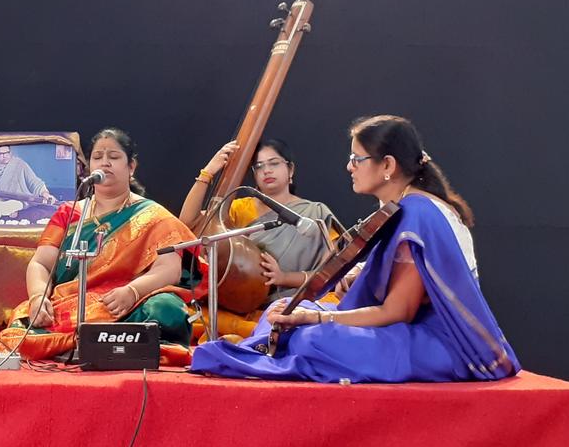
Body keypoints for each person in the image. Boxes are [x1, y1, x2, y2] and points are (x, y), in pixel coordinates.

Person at [190, 115, 520, 382]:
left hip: (437, 342)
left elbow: (396, 312)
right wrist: (356, 278)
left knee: (311, 337)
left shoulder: (418, 215)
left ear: (387, 165)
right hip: (403, 329)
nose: (350, 167)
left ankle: (274, 349)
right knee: (286, 310)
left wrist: (315, 318)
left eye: (356, 159)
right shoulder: (405, 208)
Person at [0, 128, 196, 364]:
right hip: (72, 303)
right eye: (98, 157)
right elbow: (40, 263)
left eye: (114, 156)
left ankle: (89, 344)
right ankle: (90, 343)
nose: (105, 162)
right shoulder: (69, 214)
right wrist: (38, 297)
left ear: (131, 167)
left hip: (125, 305)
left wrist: (132, 292)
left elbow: (169, 268)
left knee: (165, 310)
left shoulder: (153, 215)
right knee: (21, 328)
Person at [179, 139, 338, 338]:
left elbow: (332, 272)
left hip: (291, 304)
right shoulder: (239, 208)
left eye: (274, 163)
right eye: (259, 166)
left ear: (290, 169)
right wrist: (208, 172)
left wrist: (283, 277)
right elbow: (188, 221)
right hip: (242, 305)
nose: (267, 171)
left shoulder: (315, 213)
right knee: (187, 312)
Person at [0, 145, 57, 219]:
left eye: (7, 153)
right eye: (1, 154)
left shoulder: (20, 164)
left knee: (14, 205)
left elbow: (34, 181)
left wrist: (45, 194)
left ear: (11, 153)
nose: (4, 155)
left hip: (15, 200)